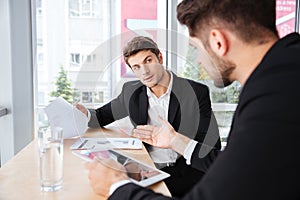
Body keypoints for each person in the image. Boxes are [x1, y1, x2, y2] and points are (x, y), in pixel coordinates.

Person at [85, 0, 300, 199]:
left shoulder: (272, 101)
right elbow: (232, 164)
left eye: (196, 48)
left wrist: (116, 187)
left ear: (218, 41)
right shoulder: (282, 75)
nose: (197, 59)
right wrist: (175, 140)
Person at [77, 36, 221, 197]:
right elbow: (101, 116)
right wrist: (85, 113)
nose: (144, 71)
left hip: (186, 174)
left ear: (159, 57)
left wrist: (175, 140)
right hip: (148, 170)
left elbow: (212, 146)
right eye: (137, 67)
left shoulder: (195, 92)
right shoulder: (131, 92)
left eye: (148, 61)